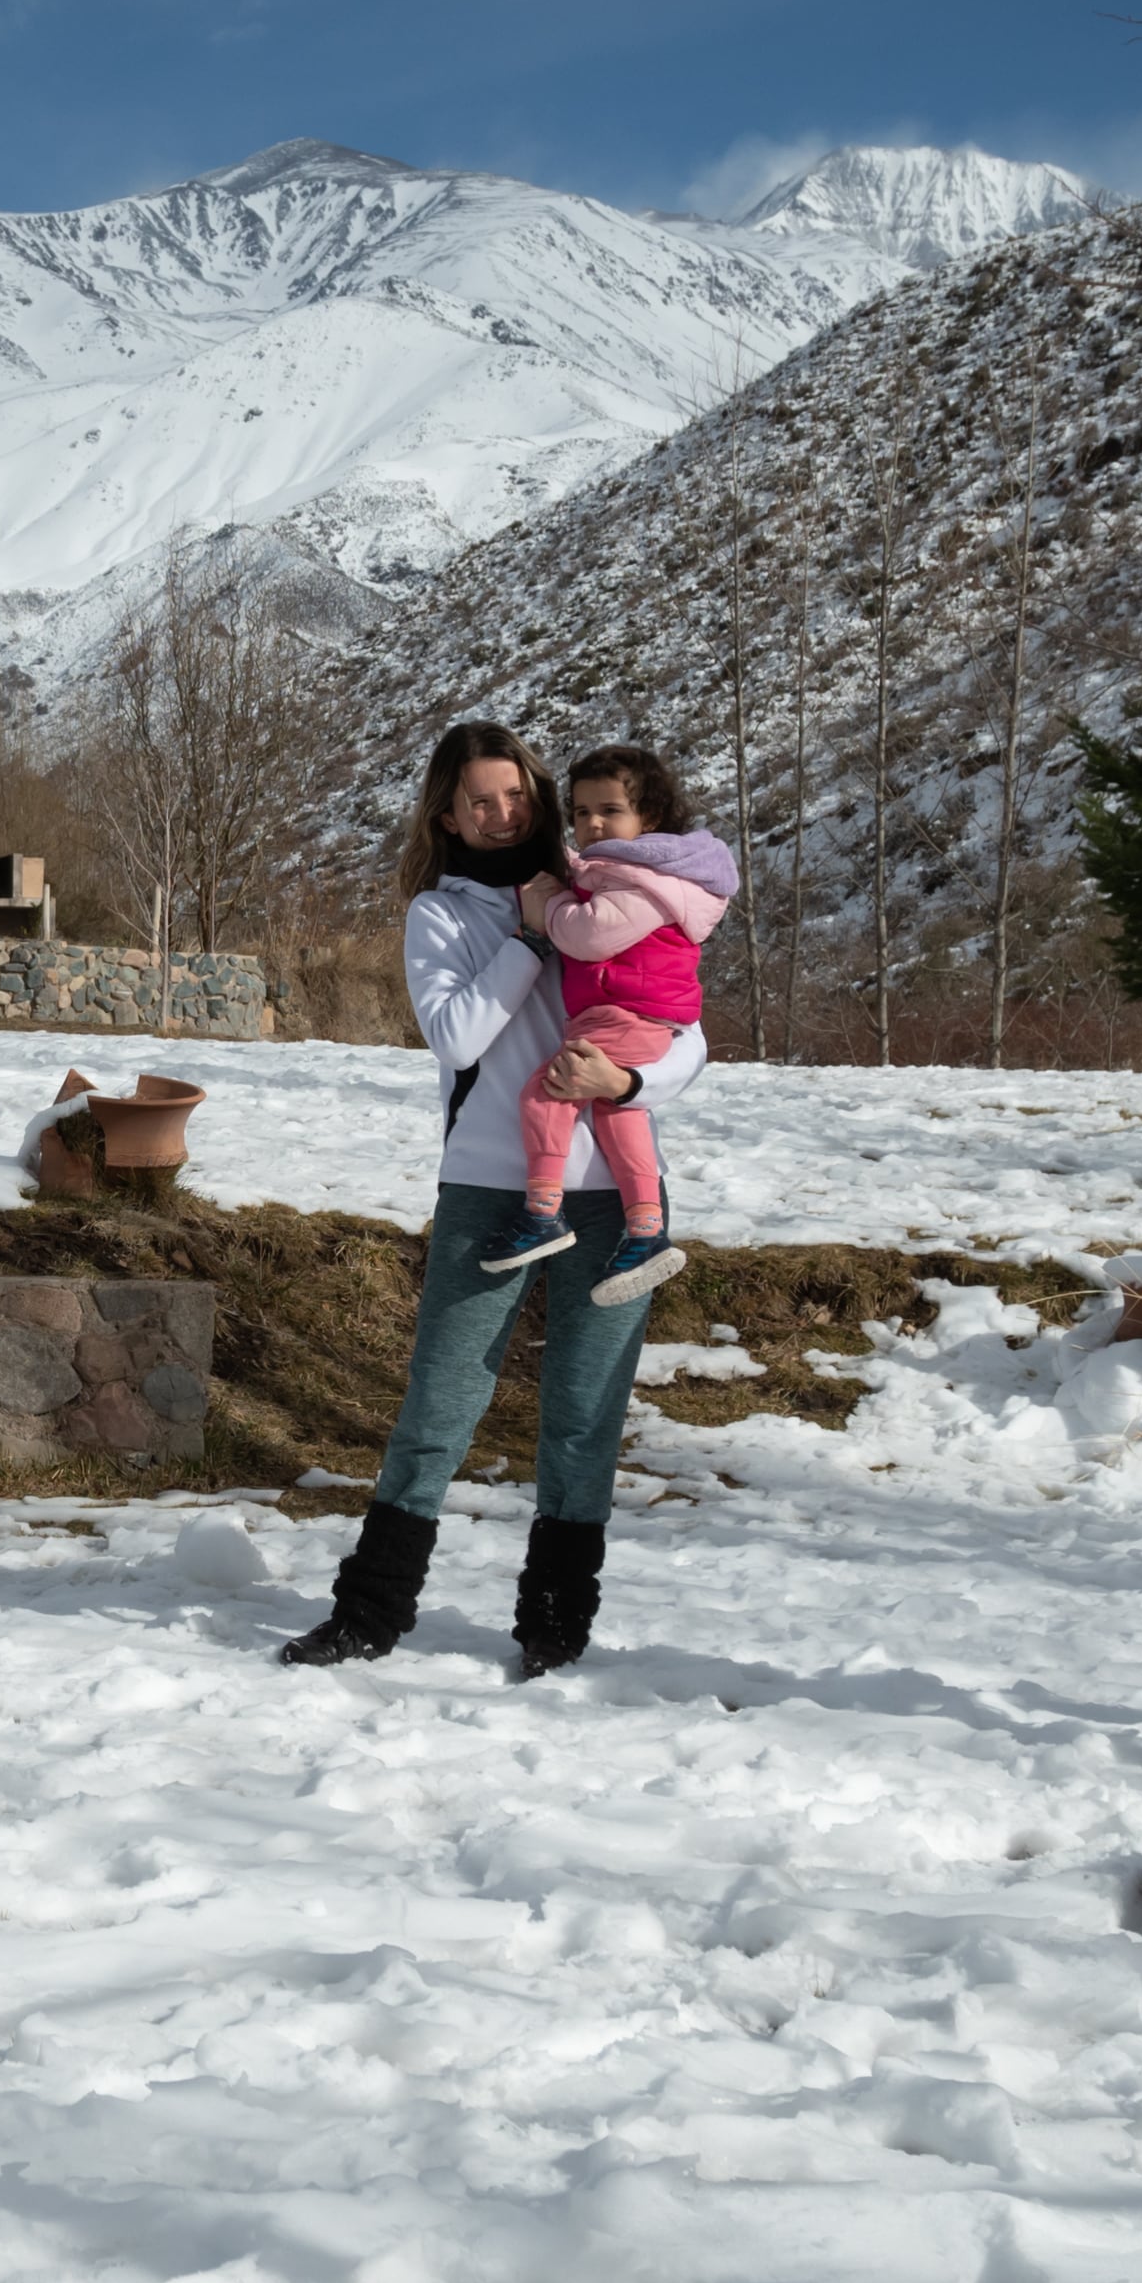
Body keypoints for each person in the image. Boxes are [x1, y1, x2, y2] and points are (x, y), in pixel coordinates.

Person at [280, 720, 707, 1683]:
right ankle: (371, 1613)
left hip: (617, 1201)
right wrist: (523, 935)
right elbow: (459, 1039)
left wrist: (632, 1089)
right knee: (441, 1403)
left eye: (515, 794)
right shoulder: (443, 914)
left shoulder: (606, 888)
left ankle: (555, 1624)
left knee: (583, 1415)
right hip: (489, 1188)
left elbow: (682, 1028)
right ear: (448, 812)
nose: (501, 811)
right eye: (480, 799)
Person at [496, 743, 736, 1307]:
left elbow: (588, 935)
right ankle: (646, 1229)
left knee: (545, 1094)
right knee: (617, 1111)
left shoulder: (649, 880)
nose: (593, 823)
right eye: (580, 812)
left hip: (625, 1012)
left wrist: (548, 906)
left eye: (609, 810)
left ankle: (541, 1212)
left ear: (648, 818)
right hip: (633, 1011)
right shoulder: (635, 870)